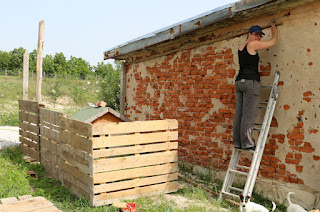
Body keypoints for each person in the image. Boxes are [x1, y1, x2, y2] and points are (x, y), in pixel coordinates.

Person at [233, 23, 278, 151]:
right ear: (250, 34)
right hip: (250, 83)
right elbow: (272, 42)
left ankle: (237, 142)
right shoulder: (252, 45)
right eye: (256, 34)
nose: (258, 37)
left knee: (239, 114)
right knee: (249, 114)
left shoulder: (241, 46)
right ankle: (247, 143)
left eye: (260, 35)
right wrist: (274, 29)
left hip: (239, 82)